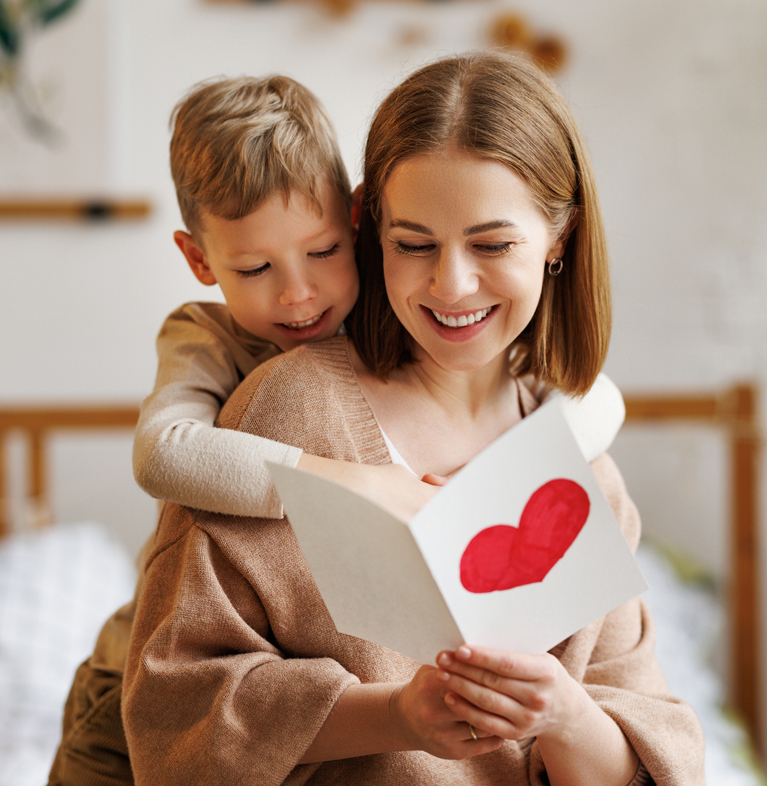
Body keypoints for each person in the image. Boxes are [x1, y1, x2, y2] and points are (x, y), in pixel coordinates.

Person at [121, 51, 705, 786]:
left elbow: (649, 753)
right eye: (414, 244)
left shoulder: (582, 462)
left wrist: (564, 714)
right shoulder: (282, 409)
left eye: (492, 243)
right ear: (374, 228)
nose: (451, 284)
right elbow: (177, 715)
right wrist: (393, 716)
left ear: (559, 239)